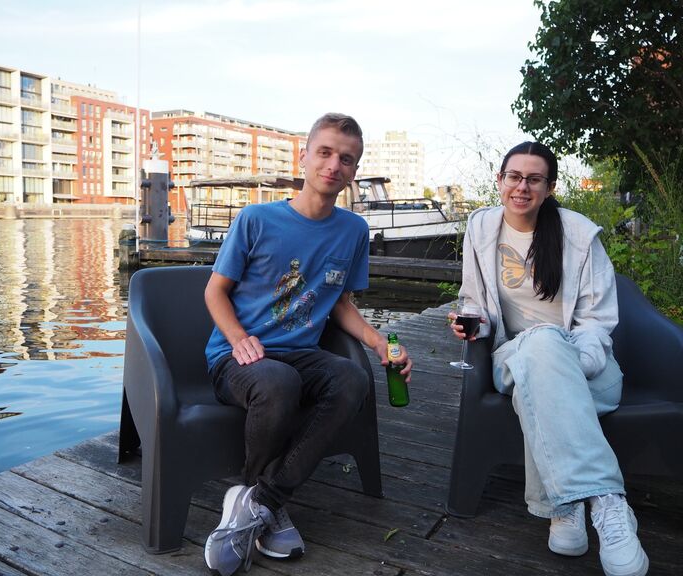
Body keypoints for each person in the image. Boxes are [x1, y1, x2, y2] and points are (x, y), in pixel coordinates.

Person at [203, 112, 412, 575]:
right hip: (238, 357)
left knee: (352, 379)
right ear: (305, 156)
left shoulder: (353, 230)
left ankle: (257, 501)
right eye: (326, 152)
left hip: (302, 354)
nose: (334, 165)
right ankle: (270, 506)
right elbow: (214, 291)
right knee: (277, 381)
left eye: (347, 159)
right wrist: (239, 339)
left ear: (354, 171)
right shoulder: (256, 219)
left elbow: (340, 302)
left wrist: (379, 342)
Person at [450, 141, 648, 576]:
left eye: (534, 179)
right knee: (539, 346)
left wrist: (566, 366)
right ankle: (609, 502)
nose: (522, 187)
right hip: (511, 356)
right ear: (499, 181)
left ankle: (566, 506)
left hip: (586, 364)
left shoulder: (578, 235)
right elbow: (476, 302)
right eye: (514, 177)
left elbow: (597, 322)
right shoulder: (481, 229)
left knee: (541, 372)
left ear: (549, 186)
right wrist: (472, 322)